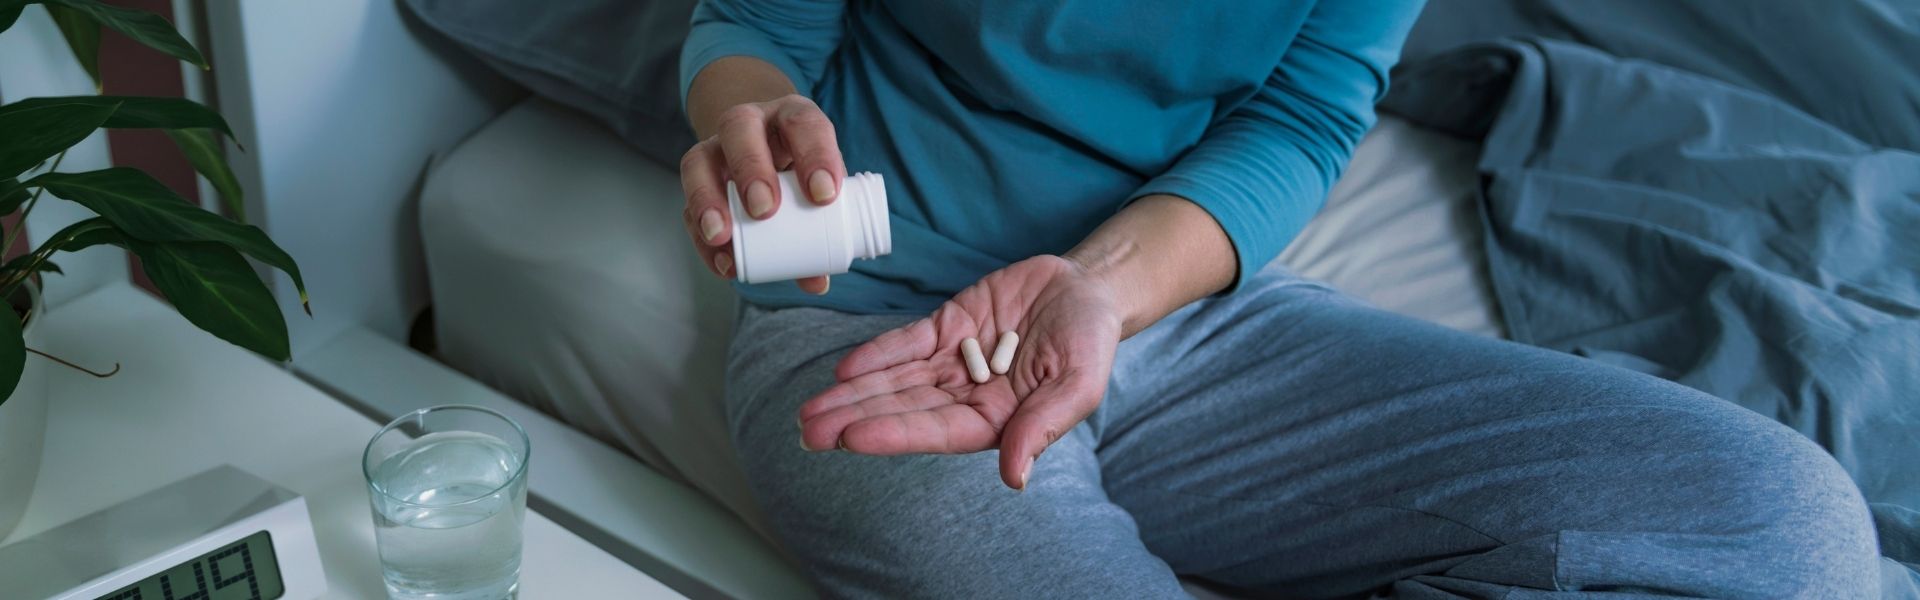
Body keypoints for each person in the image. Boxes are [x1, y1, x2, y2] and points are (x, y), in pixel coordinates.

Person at [675, 1, 1878, 597]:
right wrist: (748, 122)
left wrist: (1100, 288)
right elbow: (753, 22)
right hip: (884, 344)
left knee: (1796, 522)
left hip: (1182, 312)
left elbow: (1301, 115)